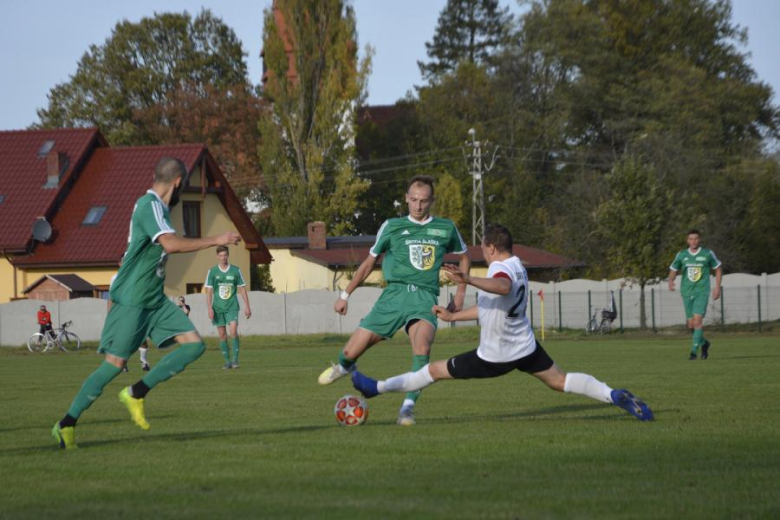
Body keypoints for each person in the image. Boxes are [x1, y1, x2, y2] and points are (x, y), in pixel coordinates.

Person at [351, 224, 654, 423]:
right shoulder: (517, 264)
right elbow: (492, 304)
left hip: (495, 355)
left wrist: (468, 278)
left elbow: (503, 288)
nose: (482, 253)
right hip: (525, 346)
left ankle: (374, 388)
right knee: (560, 381)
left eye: (483, 248)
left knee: (432, 371)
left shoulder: (501, 271)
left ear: (492, 247)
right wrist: (454, 315)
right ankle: (613, 394)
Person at [52, 156, 241, 449]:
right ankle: (66, 424)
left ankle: (137, 392)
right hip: (133, 298)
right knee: (114, 364)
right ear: (178, 182)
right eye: (184, 184)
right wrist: (218, 238)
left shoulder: (160, 209)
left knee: (195, 345)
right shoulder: (149, 204)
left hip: (154, 297)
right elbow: (170, 244)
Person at [318, 175, 471, 426]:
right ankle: (345, 366)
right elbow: (369, 263)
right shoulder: (392, 226)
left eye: (423, 201)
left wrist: (461, 293)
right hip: (393, 296)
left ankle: (407, 408)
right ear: (406, 198)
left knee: (422, 348)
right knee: (349, 351)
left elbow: (464, 257)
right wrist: (345, 295)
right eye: (413, 200)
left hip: (424, 298)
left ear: (431, 200)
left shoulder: (445, 227)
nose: (418, 206)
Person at [668, 229, 722, 360]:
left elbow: (718, 269)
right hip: (686, 292)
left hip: (701, 292)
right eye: (691, 239)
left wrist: (717, 287)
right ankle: (704, 343)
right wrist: (670, 280)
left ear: (700, 240)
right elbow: (673, 269)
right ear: (687, 240)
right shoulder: (682, 255)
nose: (693, 241)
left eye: (696, 239)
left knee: (698, 322)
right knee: (691, 325)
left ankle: (693, 351)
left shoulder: (707, 254)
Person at [205, 246, 251, 369]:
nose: (223, 257)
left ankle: (235, 361)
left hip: (232, 306)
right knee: (222, 335)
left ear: (228, 255)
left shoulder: (236, 270)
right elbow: (208, 291)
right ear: (217, 256)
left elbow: (242, 288)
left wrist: (247, 306)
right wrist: (209, 308)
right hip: (217, 308)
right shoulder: (212, 271)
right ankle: (227, 361)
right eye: (220, 255)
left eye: (225, 255)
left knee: (233, 331)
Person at [109, 257, 151, 372]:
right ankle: (123, 364)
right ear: (119, 263)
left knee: (142, 337)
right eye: (123, 261)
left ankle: (143, 361)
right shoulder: (115, 278)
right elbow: (112, 297)